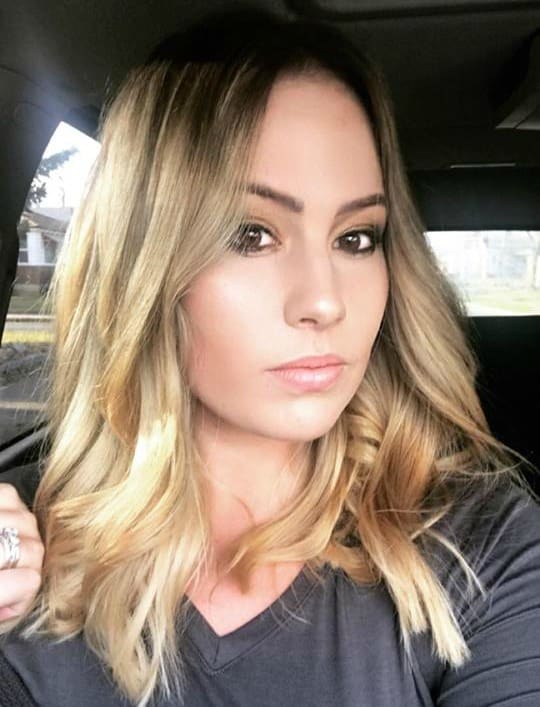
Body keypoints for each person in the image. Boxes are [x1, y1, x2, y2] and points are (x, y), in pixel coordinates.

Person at [0, 8, 539, 707]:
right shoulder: (19, 548)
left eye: (356, 238)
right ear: (145, 260)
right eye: (251, 234)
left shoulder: (481, 545)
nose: (325, 301)